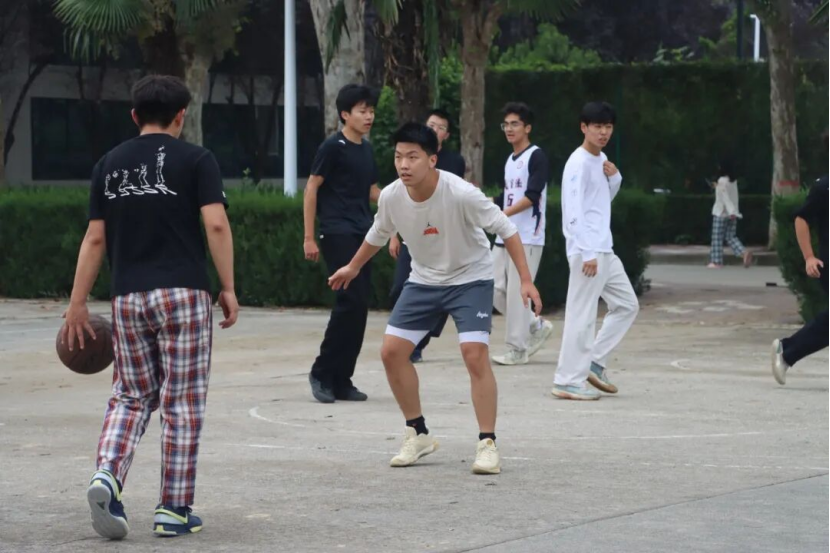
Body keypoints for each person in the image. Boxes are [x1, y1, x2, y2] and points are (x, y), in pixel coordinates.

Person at [60, 75, 239, 540]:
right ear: (181, 115)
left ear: (134, 115)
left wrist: (77, 303)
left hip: (127, 296)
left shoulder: (108, 165)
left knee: (130, 394)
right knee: (182, 402)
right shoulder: (197, 159)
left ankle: (107, 474)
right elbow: (216, 225)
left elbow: (94, 238)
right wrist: (228, 286)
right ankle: (174, 510)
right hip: (183, 295)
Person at [328, 123, 542, 475]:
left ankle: (487, 443)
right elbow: (378, 233)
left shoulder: (461, 193)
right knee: (391, 352)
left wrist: (526, 281)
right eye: (398, 156)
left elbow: (507, 229)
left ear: (432, 159)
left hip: (470, 278)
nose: (404, 164)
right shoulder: (391, 196)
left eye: (413, 157)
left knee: (474, 354)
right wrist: (352, 267)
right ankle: (418, 433)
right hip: (424, 280)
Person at [553, 102, 639, 401]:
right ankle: (567, 380)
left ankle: (594, 362)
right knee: (582, 315)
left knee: (627, 305)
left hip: (604, 249)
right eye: (597, 126)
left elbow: (600, 201)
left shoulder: (601, 160)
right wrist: (586, 251)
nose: (603, 132)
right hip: (587, 251)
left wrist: (615, 179)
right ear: (584, 127)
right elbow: (572, 211)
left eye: (608, 127)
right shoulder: (577, 162)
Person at [303, 84, 382, 404]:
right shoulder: (332, 147)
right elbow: (312, 188)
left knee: (359, 306)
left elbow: (373, 191)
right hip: (337, 232)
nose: (369, 116)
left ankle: (342, 379)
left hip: (363, 233)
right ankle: (321, 373)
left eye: (371, 111)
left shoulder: (366, 149)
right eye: (362, 111)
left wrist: (404, 200)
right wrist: (309, 237)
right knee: (348, 301)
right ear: (345, 114)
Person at [389, 108, 466, 363]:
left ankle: (417, 345)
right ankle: (407, 338)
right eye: (431, 124)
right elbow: (397, 202)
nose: (435, 129)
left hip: (441, 238)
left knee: (440, 293)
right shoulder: (407, 163)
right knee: (401, 287)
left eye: (440, 127)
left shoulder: (454, 162)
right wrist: (393, 235)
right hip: (413, 236)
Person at [491, 102, 554, 366]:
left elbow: (532, 196)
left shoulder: (536, 156)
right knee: (491, 286)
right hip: (503, 234)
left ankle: (517, 349)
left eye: (515, 124)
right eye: (506, 124)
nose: (509, 129)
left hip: (527, 235)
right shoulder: (510, 160)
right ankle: (535, 325)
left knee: (518, 294)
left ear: (527, 128)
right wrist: (485, 203)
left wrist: (502, 214)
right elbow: (507, 196)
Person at [772, 130, 829, 385]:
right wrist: (809, 257)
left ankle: (787, 351)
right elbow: (801, 219)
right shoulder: (823, 187)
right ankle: (787, 351)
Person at [708, 161, 753, 269]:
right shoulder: (733, 181)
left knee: (717, 238)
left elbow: (725, 198)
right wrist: (734, 212)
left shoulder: (721, 180)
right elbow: (732, 196)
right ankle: (743, 252)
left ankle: (716, 261)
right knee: (730, 236)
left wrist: (730, 210)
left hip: (721, 212)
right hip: (733, 214)